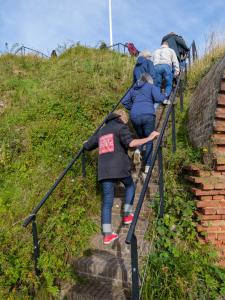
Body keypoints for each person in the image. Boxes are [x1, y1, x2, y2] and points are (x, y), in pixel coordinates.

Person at [84, 109, 159, 245]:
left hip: (104, 171)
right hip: (120, 168)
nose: (126, 121)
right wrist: (149, 138)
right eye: (125, 118)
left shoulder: (102, 131)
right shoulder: (121, 127)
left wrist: (85, 143)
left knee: (107, 201)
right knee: (130, 185)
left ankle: (107, 235)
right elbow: (130, 144)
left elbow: (88, 146)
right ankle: (127, 214)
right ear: (121, 117)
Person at [121, 74, 166, 173]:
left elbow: (124, 101)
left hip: (135, 116)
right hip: (148, 114)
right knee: (149, 139)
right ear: (148, 80)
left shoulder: (133, 88)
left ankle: (138, 150)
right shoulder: (150, 86)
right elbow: (158, 97)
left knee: (141, 137)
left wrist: (133, 107)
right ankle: (148, 166)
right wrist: (165, 98)